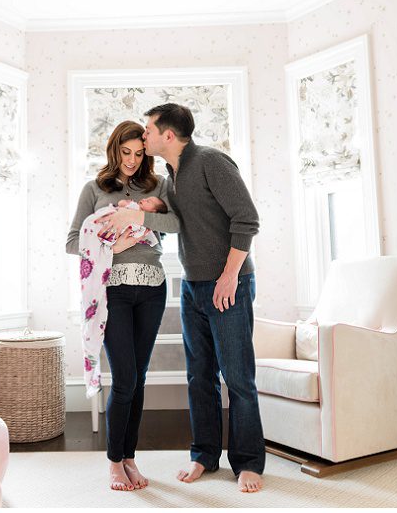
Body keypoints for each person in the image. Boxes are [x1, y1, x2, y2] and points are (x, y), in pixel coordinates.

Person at [99, 103, 264, 493]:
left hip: (229, 285)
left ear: (167, 136)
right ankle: (204, 455)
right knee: (199, 377)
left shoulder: (211, 162)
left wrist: (229, 277)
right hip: (193, 287)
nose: (143, 135)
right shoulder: (171, 177)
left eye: (148, 130)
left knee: (238, 378)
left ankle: (248, 462)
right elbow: (175, 222)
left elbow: (247, 219)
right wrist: (144, 209)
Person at [66, 120, 180, 492]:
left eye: (138, 153)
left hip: (152, 287)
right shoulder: (94, 188)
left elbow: (177, 223)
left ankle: (130, 456)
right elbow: (73, 241)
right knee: (126, 378)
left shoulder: (158, 185)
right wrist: (111, 248)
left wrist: (140, 217)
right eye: (124, 152)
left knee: (139, 377)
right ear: (114, 150)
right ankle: (115, 461)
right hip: (112, 291)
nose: (131, 161)